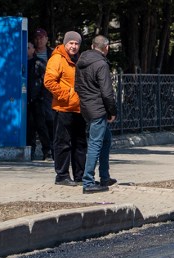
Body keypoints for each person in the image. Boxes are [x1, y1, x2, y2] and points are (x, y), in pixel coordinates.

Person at [74, 34, 117, 193]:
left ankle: (105, 176)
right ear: (106, 48)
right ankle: (88, 181)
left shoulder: (81, 62)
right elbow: (107, 92)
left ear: (92, 46)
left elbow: (76, 86)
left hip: (86, 106)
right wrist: (112, 111)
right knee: (95, 144)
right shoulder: (101, 64)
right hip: (98, 108)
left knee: (106, 139)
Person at [44, 31, 86, 187]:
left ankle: (80, 176)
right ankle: (61, 176)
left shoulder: (79, 59)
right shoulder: (57, 59)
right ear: (65, 43)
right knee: (63, 143)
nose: (74, 46)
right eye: (71, 43)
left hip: (79, 108)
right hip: (63, 108)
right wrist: (66, 96)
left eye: (77, 44)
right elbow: (49, 81)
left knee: (80, 143)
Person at [30, 29, 54, 161]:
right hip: (35, 94)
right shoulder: (30, 54)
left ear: (46, 39)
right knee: (37, 124)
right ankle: (44, 151)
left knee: (50, 122)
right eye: (37, 37)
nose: (39, 40)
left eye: (41, 37)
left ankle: (51, 150)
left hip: (50, 94)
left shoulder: (52, 53)